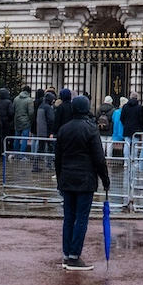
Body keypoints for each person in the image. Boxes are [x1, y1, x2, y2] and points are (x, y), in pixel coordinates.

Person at [53, 94, 109, 271]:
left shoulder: (64, 129)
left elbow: (58, 159)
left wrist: (60, 178)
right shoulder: (91, 129)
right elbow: (99, 159)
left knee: (68, 218)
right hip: (85, 180)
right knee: (81, 219)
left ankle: (66, 253)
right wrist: (105, 179)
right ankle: (74, 256)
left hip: (67, 179)